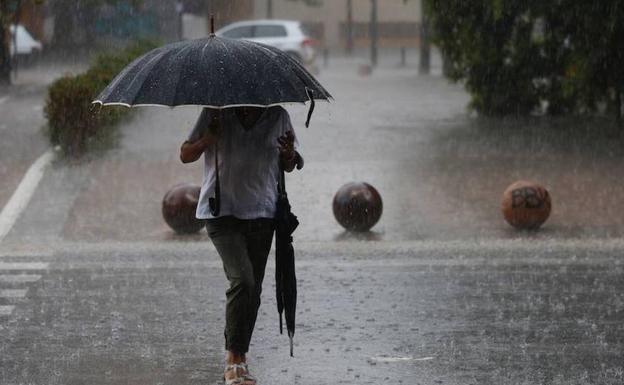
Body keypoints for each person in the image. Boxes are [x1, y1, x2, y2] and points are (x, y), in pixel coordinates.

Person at [180, 106, 302, 385]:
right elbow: (185, 154)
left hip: (262, 213)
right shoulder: (215, 112)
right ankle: (233, 360)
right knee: (243, 281)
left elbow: (290, 163)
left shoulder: (278, 115)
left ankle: (240, 359)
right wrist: (207, 140)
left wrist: (289, 154)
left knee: (253, 291)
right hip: (221, 213)